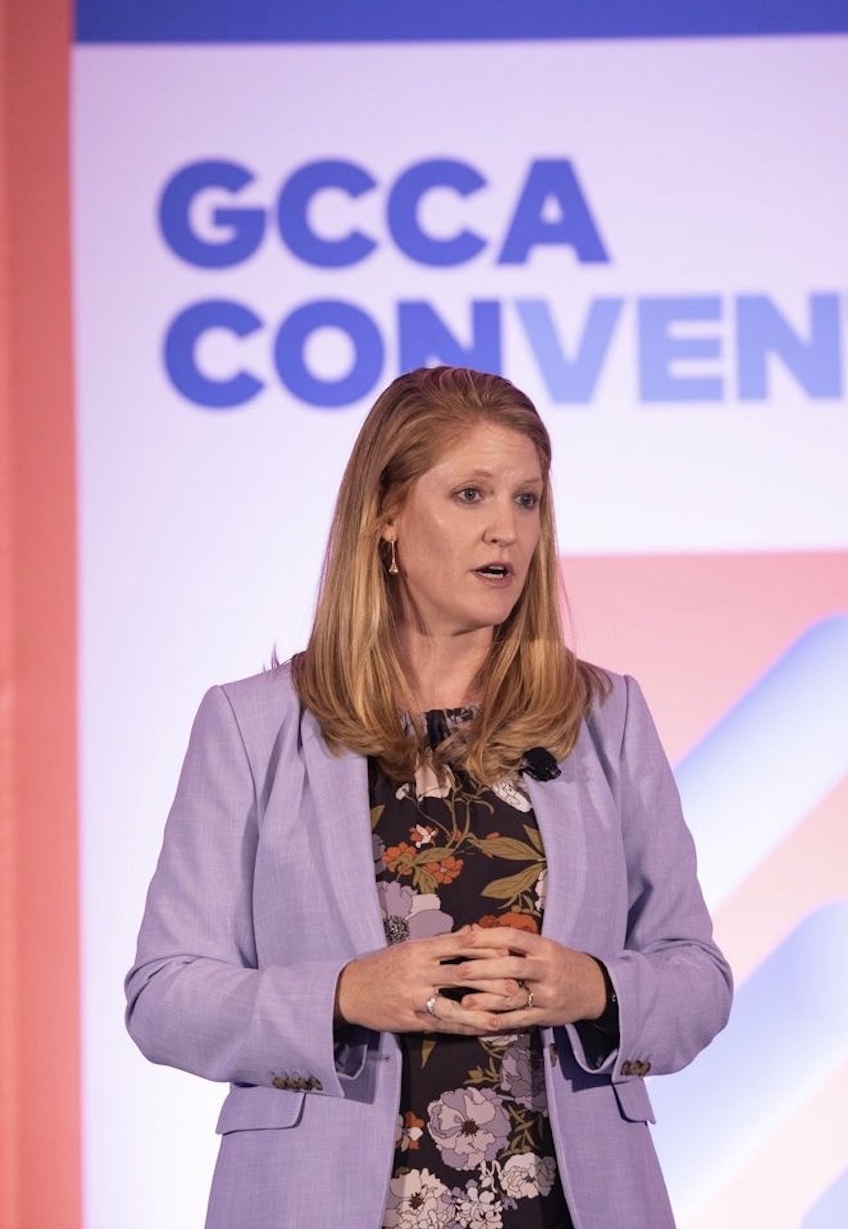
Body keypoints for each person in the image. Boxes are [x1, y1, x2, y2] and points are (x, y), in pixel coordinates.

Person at [125, 366, 732, 1229]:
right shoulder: (252, 726)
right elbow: (165, 996)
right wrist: (342, 996)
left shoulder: (605, 717)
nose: (506, 529)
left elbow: (697, 978)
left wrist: (595, 988)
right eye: (470, 494)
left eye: (527, 499)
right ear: (386, 515)